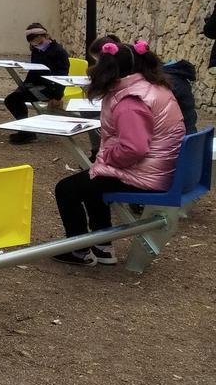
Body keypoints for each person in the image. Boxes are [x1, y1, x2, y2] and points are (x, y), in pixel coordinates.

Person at [52, 40, 185, 266]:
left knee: (66, 189)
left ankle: (77, 249)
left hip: (145, 175)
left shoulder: (129, 100)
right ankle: (102, 246)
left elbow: (134, 148)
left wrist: (107, 158)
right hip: (162, 167)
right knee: (93, 181)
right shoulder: (154, 87)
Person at [3, 23, 71, 145]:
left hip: (50, 89)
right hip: (37, 85)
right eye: (34, 44)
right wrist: (23, 86)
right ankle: (26, 129)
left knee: (13, 100)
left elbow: (62, 76)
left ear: (46, 36)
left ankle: (27, 132)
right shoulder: (36, 51)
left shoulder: (59, 52)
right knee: (12, 99)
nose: (37, 46)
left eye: (39, 43)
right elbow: (34, 70)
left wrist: (57, 96)